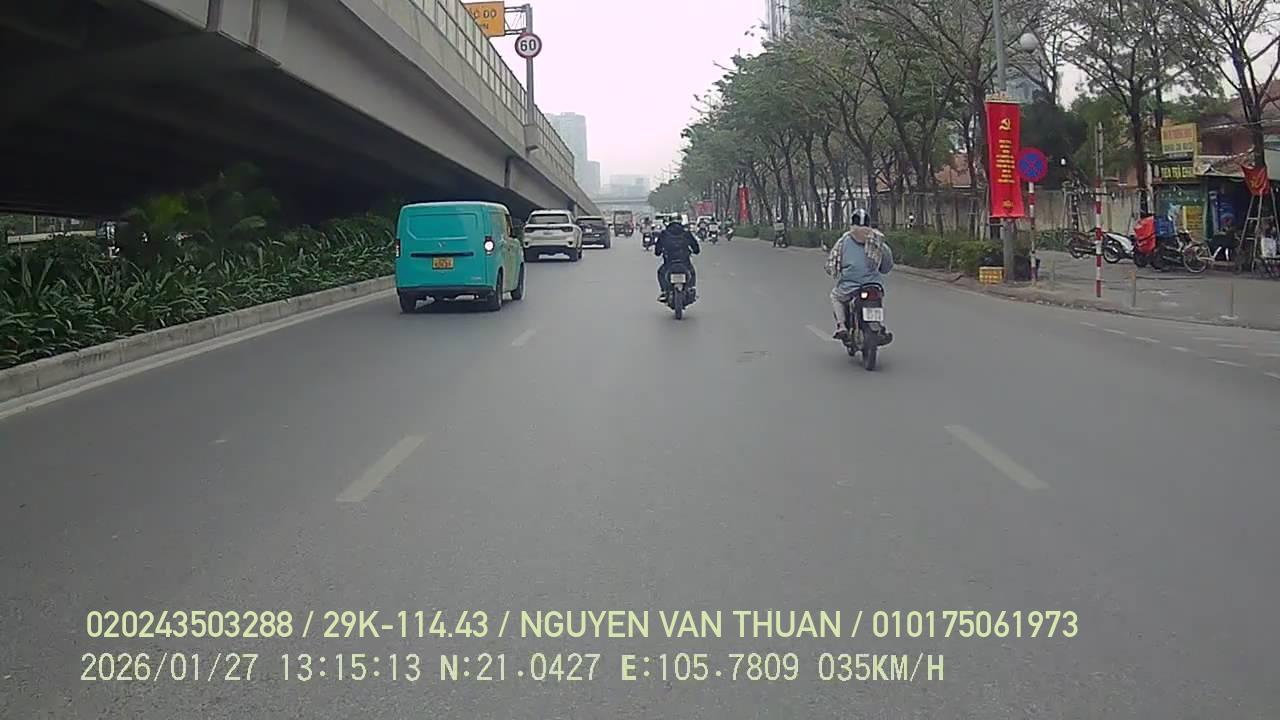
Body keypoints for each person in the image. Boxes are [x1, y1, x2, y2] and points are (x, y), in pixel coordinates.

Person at [825, 208, 894, 343]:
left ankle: (841, 326)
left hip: (850, 286)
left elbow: (833, 261)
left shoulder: (843, 241)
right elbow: (887, 265)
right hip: (874, 286)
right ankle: (878, 326)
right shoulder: (877, 240)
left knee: (835, 296)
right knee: (877, 298)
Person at [655, 216, 700, 302]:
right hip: (684, 262)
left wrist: (660, 252)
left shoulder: (664, 234)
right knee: (692, 272)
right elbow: (696, 249)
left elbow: (657, 251)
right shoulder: (686, 233)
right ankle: (691, 289)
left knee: (660, 273)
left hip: (669, 263)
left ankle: (664, 291)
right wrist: (694, 251)